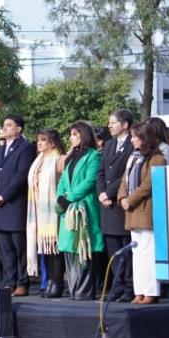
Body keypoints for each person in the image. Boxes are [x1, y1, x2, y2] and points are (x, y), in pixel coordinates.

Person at [0, 115, 36, 296]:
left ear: (18, 129)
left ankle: (23, 282)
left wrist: (4, 196)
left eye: (9, 125)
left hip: (15, 204)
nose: (4, 128)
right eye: (3, 125)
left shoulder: (25, 148)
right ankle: (10, 281)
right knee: (5, 248)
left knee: (19, 246)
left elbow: (21, 175)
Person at [118, 121, 165, 304]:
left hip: (146, 210)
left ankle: (151, 292)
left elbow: (148, 184)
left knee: (148, 253)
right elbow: (124, 180)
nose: (132, 140)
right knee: (137, 254)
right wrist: (122, 197)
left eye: (135, 137)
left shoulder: (157, 159)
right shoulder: (133, 157)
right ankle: (139, 291)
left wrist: (131, 199)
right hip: (131, 211)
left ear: (145, 138)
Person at [57, 121, 105, 300]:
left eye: (74, 134)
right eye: (70, 135)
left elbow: (90, 180)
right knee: (69, 248)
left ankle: (83, 292)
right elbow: (62, 181)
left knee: (84, 248)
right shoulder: (71, 157)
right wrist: (60, 198)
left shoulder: (93, 156)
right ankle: (74, 289)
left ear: (83, 135)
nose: (70, 138)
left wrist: (69, 197)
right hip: (68, 210)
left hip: (84, 208)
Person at [97, 109, 135, 302]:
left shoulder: (133, 144)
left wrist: (109, 193)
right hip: (107, 204)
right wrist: (102, 193)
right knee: (113, 249)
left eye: (113, 122)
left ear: (125, 124)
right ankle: (117, 286)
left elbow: (126, 175)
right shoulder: (110, 144)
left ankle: (130, 286)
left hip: (121, 203)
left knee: (126, 250)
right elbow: (101, 171)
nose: (109, 126)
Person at [27, 129, 67, 298]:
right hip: (40, 210)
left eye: (43, 140)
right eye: (38, 140)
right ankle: (49, 280)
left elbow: (64, 183)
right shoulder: (39, 161)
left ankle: (57, 282)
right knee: (45, 248)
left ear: (52, 143)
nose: (39, 143)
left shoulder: (59, 159)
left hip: (54, 209)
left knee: (55, 247)